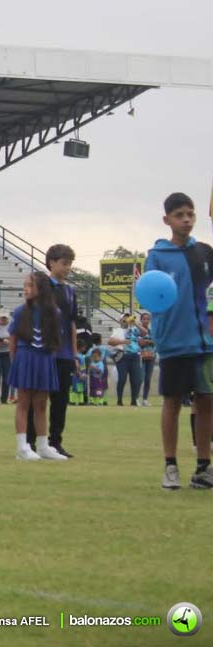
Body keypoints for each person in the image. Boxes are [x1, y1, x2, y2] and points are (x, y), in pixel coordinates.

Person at [144, 192, 213, 489]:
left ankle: (203, 467)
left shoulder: (205, 252)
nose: (186, 220)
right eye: (179, 215)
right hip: (173, 341)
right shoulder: (157, 256)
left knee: (207, 401)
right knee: (172, 403)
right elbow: (150, 294)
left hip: (204, 342)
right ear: (167, 220)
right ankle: (170, 465)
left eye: (190, 214)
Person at [24, 244, 80, 457]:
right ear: (51, 262)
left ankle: (55, 441)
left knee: (61, 400)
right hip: (43, 351)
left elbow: (72, 323)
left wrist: (74, 354)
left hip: (64, 353)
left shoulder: (69, 291)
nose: (67, 268)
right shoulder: (40, 285)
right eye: (64, 263)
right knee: (37, 398)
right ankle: (29, 442)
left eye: (70, 264)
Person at [9, 272, 67, 461]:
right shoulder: (19, 312)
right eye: (24, 285)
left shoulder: (55, 313)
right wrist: (16, 364)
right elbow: (13, 341)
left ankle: (43, 446)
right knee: (23, 403)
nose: (25, 289)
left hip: (44, 359)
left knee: (41, 404)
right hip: (25, 357)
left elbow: (56, 339)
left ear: (41, 289)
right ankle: (22, 446)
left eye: (30, 285)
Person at [109, 313, 144, 407]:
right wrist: (122, 341)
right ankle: (119, 400)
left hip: (135, 356)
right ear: (120, 321)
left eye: (127, 318)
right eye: (123, 319)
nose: (126, 320)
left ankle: (134, 400)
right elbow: (110, 342)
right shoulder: (117, 330)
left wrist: (135, 323)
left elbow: (144, 332)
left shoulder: (134, 329)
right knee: (122, 378)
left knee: (136, 379)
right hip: (123, 356)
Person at [137, 311, 156, 407]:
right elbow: (140, 343)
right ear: (141, 320)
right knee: (141, 378)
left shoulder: (152, 331)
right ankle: (137, 398)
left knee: (148, 379)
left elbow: (155, 342)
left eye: (148, 319)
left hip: (151, 357)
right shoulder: (138, 330)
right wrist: (149, 341)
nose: (146, 320)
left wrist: (147, 341)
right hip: (141, 356)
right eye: (144, 319)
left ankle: (145, 399)